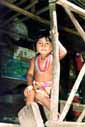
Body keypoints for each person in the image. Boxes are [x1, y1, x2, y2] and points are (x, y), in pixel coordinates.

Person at [24, 34, 67, 111]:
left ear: (52, 48)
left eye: (47, 43)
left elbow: (63, 52)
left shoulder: (53, 58)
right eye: (40, 43)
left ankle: (55, 114)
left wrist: (55, 39)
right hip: (36, 86)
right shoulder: (34, 60)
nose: (43, 46)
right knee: (30, 93)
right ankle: (30, 114)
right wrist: (29, 85)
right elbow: (30, 74)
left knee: (39, 95)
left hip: (48, 88)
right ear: (35, 46)